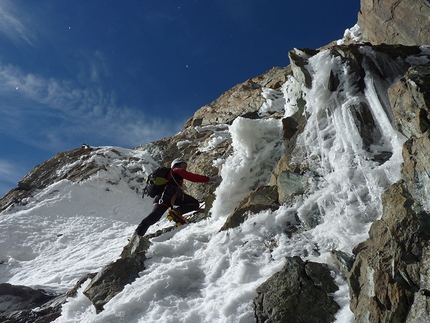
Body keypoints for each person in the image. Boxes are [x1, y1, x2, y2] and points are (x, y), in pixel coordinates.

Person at [135, 158, 219, 236]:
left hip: (160, 198)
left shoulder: (170, 176)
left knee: (153, 217)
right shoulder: (176, 170)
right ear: (176, 165)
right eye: (183, 165)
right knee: (194, 203)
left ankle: (137, 235)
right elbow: (192, 177)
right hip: (171, 194)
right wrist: (210, 179)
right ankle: (176, 212)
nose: (185, 167)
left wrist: (192, 208)